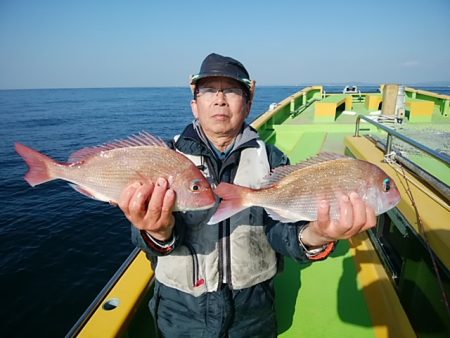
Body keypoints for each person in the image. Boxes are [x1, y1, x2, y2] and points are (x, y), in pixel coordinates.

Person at [118, 53, 376, 337]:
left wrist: (317, 235)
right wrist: (157, 230)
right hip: (180, 314)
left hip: (253, 314)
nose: (219, 99)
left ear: (249, 103)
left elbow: (281, 232)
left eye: (231, 90)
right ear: (194, 104)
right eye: (208, 91)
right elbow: (141, 239)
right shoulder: (165, 158)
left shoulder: (273, 161)